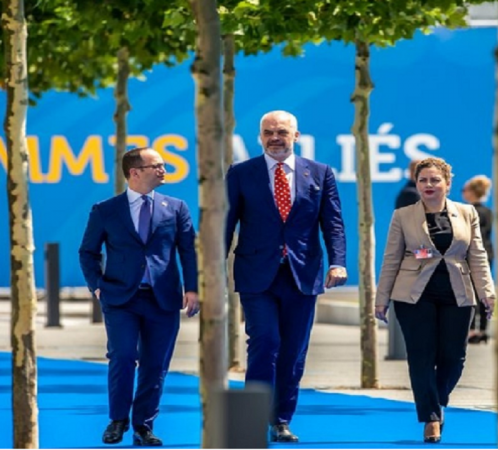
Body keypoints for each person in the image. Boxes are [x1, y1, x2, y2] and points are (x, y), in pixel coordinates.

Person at [225, 110, 347, 443]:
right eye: (268, 132)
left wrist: (338, 262)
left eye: (281, 132)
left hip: (302, 275)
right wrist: (211, 271)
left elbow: (333, 223)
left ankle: (280, 420)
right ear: (260, 137)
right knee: (264, 343)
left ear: (296, 135)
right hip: (257, 275)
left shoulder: (320, 173)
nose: (274, 138)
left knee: (293, 351)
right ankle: (252, 420)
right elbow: (226, 223)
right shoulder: (241, 173)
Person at [79, 147, 199, 447]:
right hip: (121, 298)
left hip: (163, 298)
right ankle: (117, 420)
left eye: (163, 165)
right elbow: (88, 252)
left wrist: (193, 288)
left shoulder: (176, 207)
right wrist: (97, 285)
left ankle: (143, 425)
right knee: (122, 357)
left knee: (155, 364)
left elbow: (188, 251)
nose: (163, 170)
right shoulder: (105, 210)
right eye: (156, 166)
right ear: (134, 172)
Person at [375, 157, 496, 444]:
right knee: (421, 356)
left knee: (454, 358)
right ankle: (430, 417)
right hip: (414, 295)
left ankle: (437, 401)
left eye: (434, 180)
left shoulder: (467, 212)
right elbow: (391, 258)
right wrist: (382, 298)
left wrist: (487, 293)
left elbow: (478, 256)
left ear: (448, 184)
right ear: (416, 184)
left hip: (458, 292)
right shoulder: (403, 215)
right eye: (423, 180)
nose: (428, 185)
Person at [461, 175, 494, 344]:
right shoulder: (488, 212)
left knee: (471, 292)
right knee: (484, 290)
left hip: (472, 255)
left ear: (472, 192)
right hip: (487, 253)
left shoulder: (469, 212)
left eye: (464, 190)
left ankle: (472, 329)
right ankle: (483, 329)